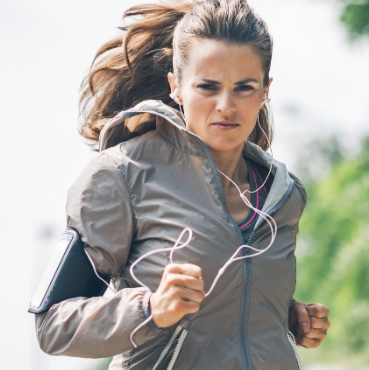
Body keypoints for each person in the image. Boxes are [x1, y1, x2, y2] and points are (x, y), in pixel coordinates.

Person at [34, 0, 331, 369]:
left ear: (266, 89)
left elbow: (232, 312)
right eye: (208, 86)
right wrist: (150, 308)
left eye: (244, 87)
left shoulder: (283, 194)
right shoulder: (121, 175)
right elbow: (52, 324)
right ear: (176, 87)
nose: (226, 105)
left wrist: (287, 318)